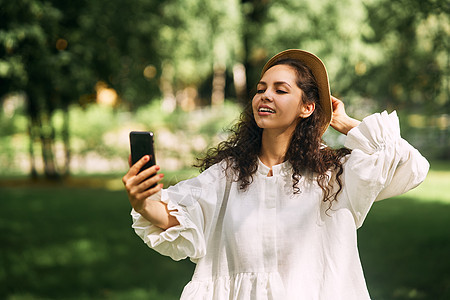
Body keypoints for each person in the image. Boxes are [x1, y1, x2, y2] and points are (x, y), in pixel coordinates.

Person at [122, 49, 429, 299]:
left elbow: (411, 166)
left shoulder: (335, 175)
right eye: (260, 89)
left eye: (280, 90)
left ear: (306, 107)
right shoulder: (227, 175)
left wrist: (344, 121)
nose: (265, 96)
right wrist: (144, 202)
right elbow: (182, 220)